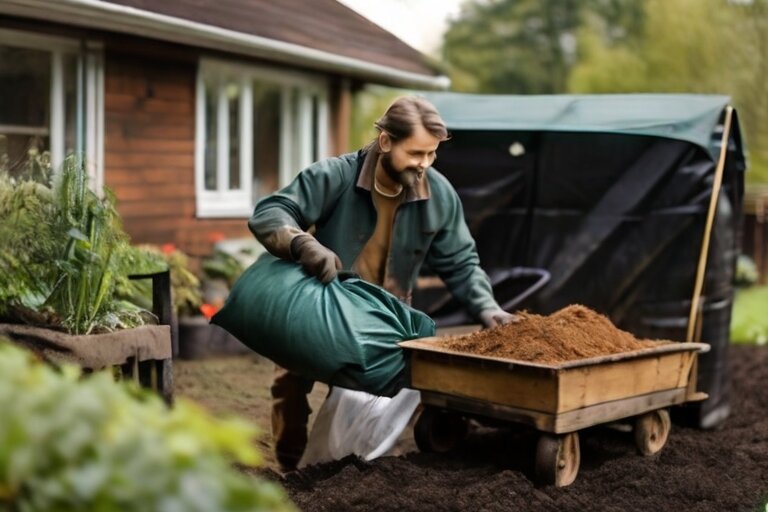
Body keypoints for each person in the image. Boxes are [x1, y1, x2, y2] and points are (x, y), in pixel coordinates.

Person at [248, 96, 516, 471]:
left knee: (370, 401)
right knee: (289, 390)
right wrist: (302, 243)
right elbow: (271, 211)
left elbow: (460, 261)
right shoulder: (335, 176)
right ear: (386, 140)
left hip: (384, 318)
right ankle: (290, 471)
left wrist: (487, 306)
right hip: (322, 304)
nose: (424, 164)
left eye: (432, 154)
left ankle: (362, 471)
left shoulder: (438, 194)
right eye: (417, 153)